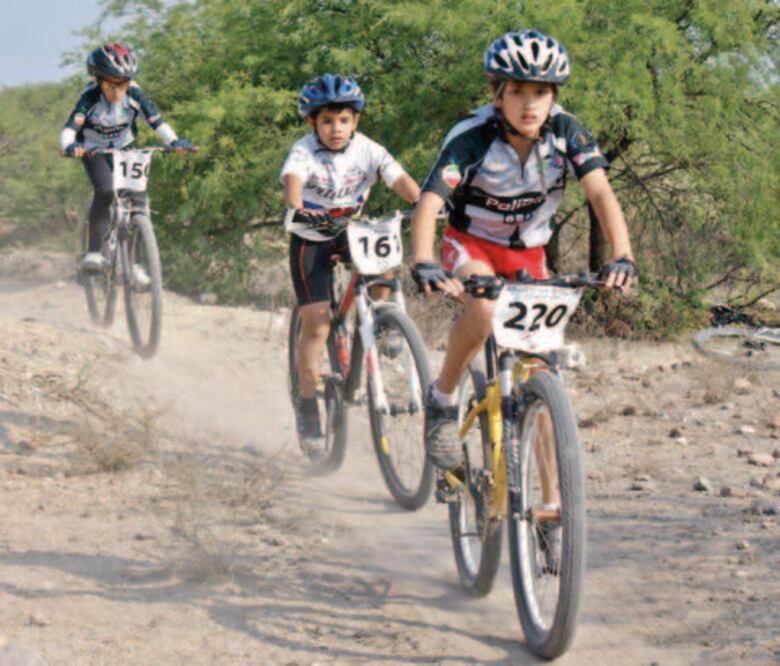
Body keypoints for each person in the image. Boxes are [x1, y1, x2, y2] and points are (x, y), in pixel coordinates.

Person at [410, 30, 637, 470]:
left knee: (541, 376)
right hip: (471, 242)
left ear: (553, 96)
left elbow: (601, 194)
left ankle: (552, 514)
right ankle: (442, 399)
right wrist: (423, 261)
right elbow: (430, 202)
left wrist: (622, 254)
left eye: (541, 92)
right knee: (482, 307)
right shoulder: (472, 136)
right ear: (497, 95)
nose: (530, 104)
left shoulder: (566, 132)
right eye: (517, 91)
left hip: (528, 253)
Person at [281, 73, 420, 450]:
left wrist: (422, 203)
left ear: (356, 121)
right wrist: (296, 209)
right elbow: (293, 180)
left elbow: (399, 178)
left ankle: (385, 321)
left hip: (348, 229)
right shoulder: (303, 151)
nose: (336, 128)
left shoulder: (369, 149)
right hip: (310, 237)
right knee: (318, 328)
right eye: (327, 121)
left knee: (381, 251)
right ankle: (308, 407)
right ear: (312, 122)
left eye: (344, 120)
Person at [59, 43, 191, 273]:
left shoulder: (134, 93)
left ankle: (137, 264)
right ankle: (94, 253)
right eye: (110, 83)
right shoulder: (89, 97)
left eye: (123, 83)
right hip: (94, 150)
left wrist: (174, 141)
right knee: (106, 191)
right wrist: (69, 146)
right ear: (98, 80)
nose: (117, 90)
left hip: (126, 148)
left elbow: (156, 121)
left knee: (138, 201)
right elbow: (70, 127)